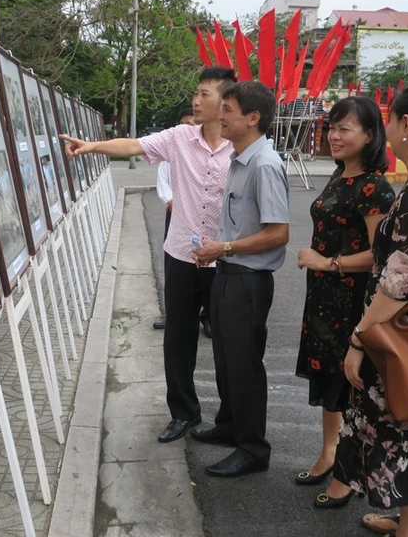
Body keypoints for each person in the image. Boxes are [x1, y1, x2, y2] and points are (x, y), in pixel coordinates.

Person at [314, 83, 408, 537]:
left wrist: (359, 339)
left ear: (407, 125)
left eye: (388, 120)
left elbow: (397, 282)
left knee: (406, 425)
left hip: (401, 329)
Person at [63, 67, 238, 444]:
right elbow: (133, 145)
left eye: (204, 94)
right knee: (178, 336)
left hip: (224, 259)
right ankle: (184, 413)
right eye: (196, 92)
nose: (196, 99)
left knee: (226, 340)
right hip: (180, 255)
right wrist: (91, 146)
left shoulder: (240, 145)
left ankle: (229, 420)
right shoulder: (178, 138)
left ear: (224, 102)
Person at [190, 81, 290, 478]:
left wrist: (224, 249)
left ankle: (252, 447)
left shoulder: (264, 164)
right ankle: (230, 425)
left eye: (228, 109)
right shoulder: (239, 158)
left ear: (253, 118)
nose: (222, 115)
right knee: (226, 358)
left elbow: (278, 232)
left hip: (248, 279)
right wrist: (219, 250)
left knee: (245, 364)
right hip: (227, 274)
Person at [294, 97, 394, 489]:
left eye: (344, 128)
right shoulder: (340, 174)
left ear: (369, 135)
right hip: (324, 298)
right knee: (330, 380)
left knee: (352, 385)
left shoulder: (374, 187)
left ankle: (347, 473)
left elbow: (380, 256)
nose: (334, 135)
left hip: (352, 300)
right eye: (331, 127)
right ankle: (329, 453)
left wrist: (327, 262)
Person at [153, 108, 196, 331]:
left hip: (200, 217)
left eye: (191, 124)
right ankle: (173, 314)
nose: (186, 128)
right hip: (176, 214)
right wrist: (170, 200)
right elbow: (163, 181)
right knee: (174, 265)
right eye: (182, 124)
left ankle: (206, 317)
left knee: (206, 266)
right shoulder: (173, 150)